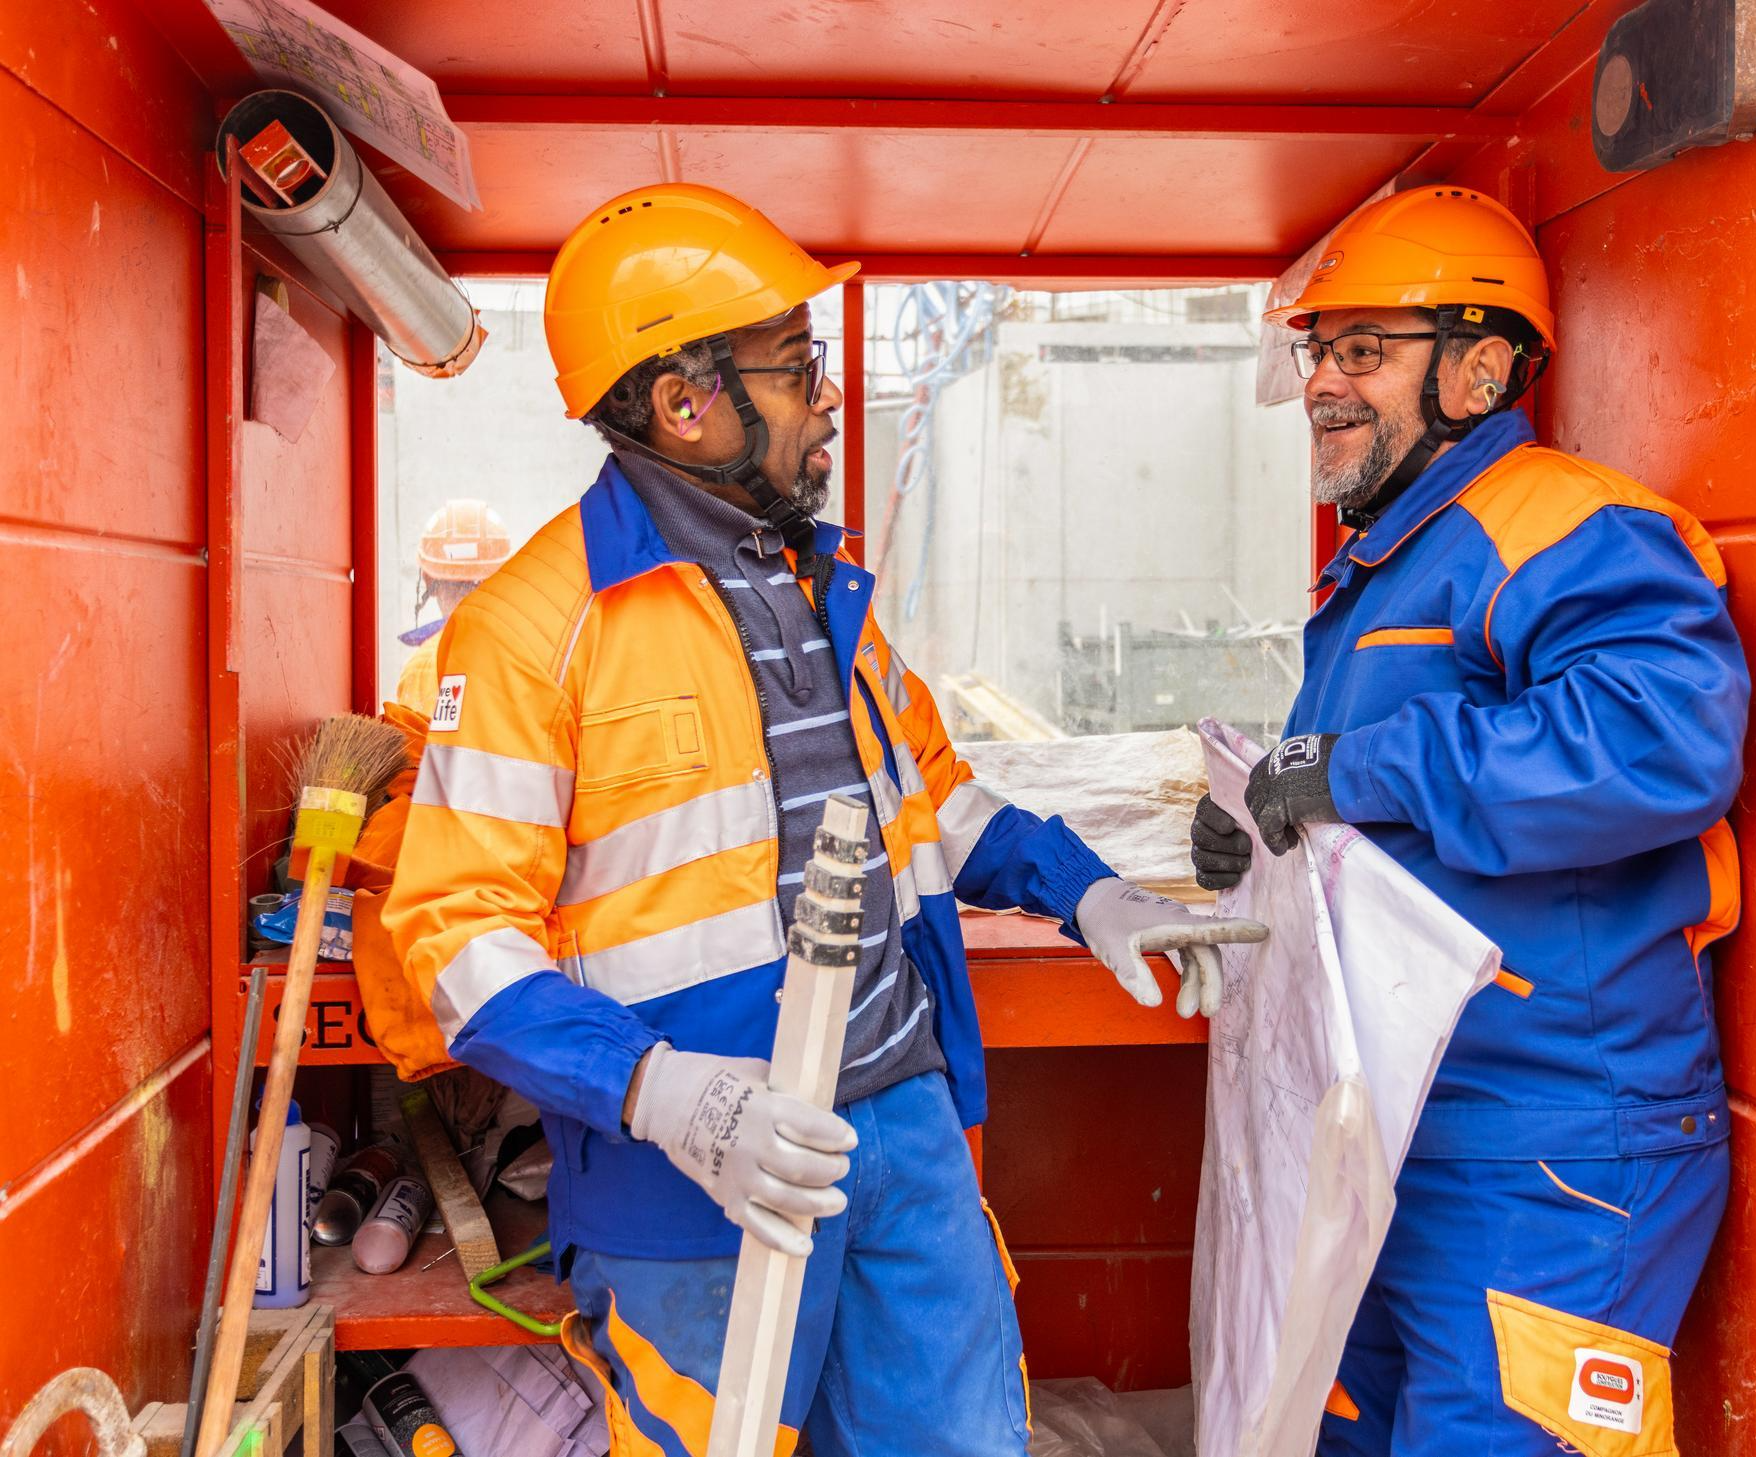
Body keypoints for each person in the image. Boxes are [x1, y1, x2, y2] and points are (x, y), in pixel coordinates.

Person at [383, 182, 1265, 1457]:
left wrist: (1091, 891)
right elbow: (456, 942)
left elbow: (938, 801)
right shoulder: (531, 627)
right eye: (795, 366)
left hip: (900, 1118)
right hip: (692, 1170)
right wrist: (666, 1094)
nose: (828, 395)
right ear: (686, 404)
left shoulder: (818, 583)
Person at [1190, 186, 1750, 1457]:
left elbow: (1656, 744)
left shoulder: (1566, 525)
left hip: (1551, 1147)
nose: (1326, 385)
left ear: (1479, 367)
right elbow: (1370, 804)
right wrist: (1258, 831)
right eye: (1317, 352)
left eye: (1363, 351)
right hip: (1400, 1129)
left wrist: (1353, 769)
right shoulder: (1389, 561)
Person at [393, 498, 509, 715]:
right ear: (501, 579)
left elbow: (410, 744)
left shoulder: (420, 669)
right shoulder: (531, 654)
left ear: (428, 580)